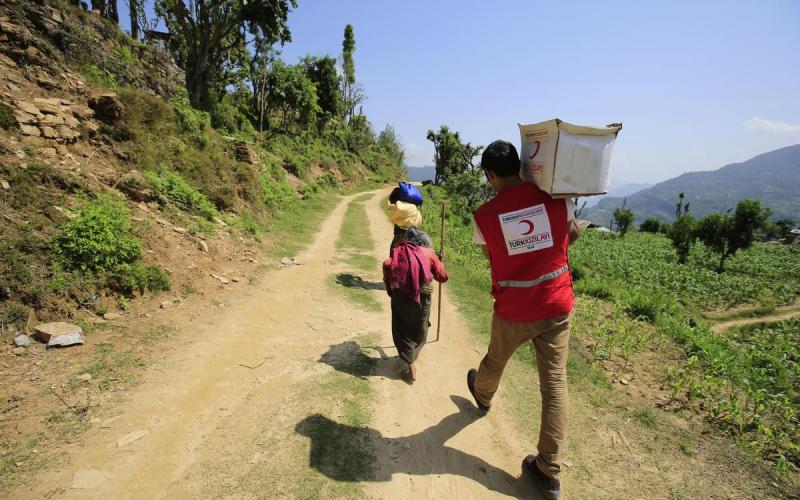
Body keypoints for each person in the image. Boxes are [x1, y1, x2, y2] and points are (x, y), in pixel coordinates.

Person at [466, 140, 579, 500]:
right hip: (557, 305)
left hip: (515, 309)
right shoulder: (558, 198)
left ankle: (482, 396)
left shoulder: (485, 216)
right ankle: (548, 470)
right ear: (522, 166)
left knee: (495, 360)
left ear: (490, 175)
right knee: (555, 384)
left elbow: (493, 256)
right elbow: (570, 234)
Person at [383, 227, 448, 383]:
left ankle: (409, 360)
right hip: (422, 298)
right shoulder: (429, 253)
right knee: (420, 328)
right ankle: (412, 362)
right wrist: (440, 261)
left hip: (400, 296)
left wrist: (390, 290)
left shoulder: (399, 250)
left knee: (401, 328)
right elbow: (443, 277)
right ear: (425, 242)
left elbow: (387, 264)